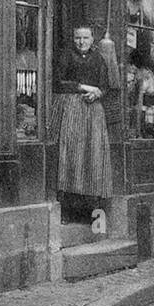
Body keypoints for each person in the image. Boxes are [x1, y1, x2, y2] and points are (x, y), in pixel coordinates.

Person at [51, 25, 113, 210]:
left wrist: (97, 94)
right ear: (73, 38)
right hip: (71, 107)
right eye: (78, 38)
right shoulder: (66, 56)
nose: (81, 42)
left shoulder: (98, 58)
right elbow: (59, 82)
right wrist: (85, 88)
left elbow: (105, 85)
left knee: (93, 154)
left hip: (93, 111)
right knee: (71, 153)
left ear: (93, 39)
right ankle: (67, 207)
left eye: (85, 38)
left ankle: (93, 208)